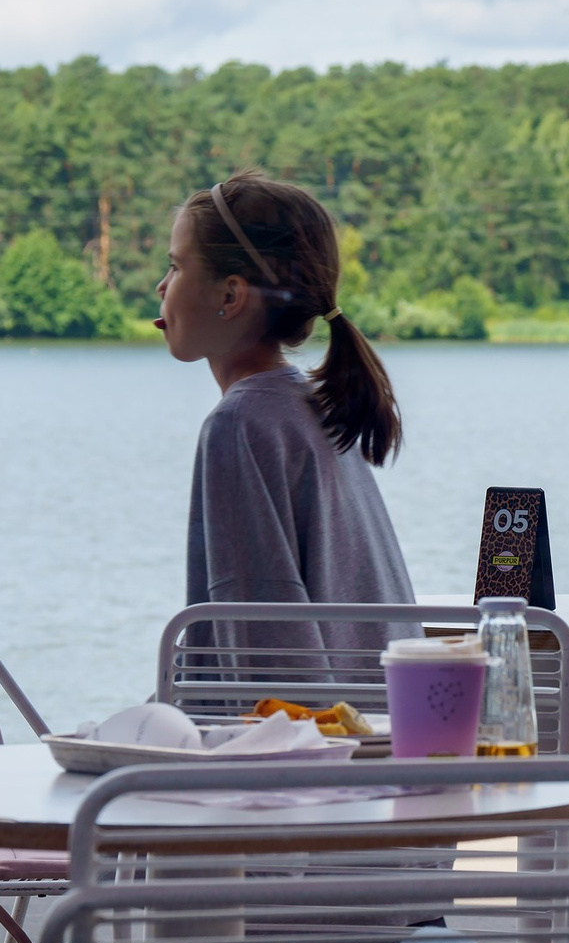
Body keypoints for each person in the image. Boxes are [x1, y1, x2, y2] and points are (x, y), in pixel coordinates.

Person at [156, 170, 415, 638]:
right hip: (378, 711)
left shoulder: (239, 425)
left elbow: (267, 656)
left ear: (230, 295)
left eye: (176, 267)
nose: (161, 286)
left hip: (328, 715)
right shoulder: (315, 405)